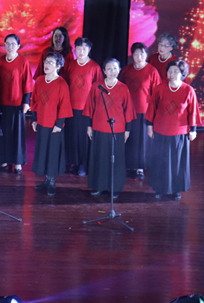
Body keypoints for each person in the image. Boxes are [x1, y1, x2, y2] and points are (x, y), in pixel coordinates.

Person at [147, 59, 199, 200]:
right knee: (160, 161)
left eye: (176, 71)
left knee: (177, 163)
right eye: (170, 71)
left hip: (179, 133)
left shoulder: (188, 90)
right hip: (160, 131)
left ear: (182, 73)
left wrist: (193, 130)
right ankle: (160, 189)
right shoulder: (159, 88)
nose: (172, 73)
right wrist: (150, 127)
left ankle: (176, 190)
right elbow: (152, 108)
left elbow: (193, 111)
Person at [84, 58, 136, 199]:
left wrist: (127, 130)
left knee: (115, 160)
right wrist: (89, 126)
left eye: (115, 68)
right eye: (109, 68)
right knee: (99, 158)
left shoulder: (123, 88)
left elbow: (128, 111)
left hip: (117, 130)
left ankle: (114, 187)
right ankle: (98, 186)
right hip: (98, 127)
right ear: (104, 71)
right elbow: (89, 107)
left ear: (119, 70)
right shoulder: (97, 86)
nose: (112, 71)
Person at [0, 34, 34, 174]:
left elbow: (28, 83)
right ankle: (3, 161)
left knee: (17, 135)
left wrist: (26, 102)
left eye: (13, 44)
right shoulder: (0, 61)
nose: (10, 46)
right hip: (2, 104)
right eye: (7, 43)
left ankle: (18, 163)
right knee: (3, 135)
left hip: (17, 104)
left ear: (18, 46)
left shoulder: (23, 61)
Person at [30, 52, 73, 196]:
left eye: (50, 62)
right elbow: (34, 101)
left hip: (54, 125)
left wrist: (59, 124)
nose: (47, 65)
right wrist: (34, 119)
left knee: (53, 153)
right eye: (46, 62)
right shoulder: (40, 80)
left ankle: (52, 182)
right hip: (42, 123)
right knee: (43, 152)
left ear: (58, 66)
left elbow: (65, 106)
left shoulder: (61, 83)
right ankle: (46, 180)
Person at [120, 42, 161, 179]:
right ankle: (129, 165)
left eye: (142, 54)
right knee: (129, 139)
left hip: (145, 111)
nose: (139, 57)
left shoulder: (152, 71)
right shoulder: (127, 70)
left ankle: (140, 167)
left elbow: (157, 94)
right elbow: (120, 87)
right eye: (136, 54)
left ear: (146, 55)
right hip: (128, 110)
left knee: (142, 141)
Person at [64, 37, 103, 176]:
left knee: (85, 138)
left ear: (89, 49)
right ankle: (74, 162)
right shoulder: (71, 65)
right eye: (79, 48)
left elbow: (99, 88)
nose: (81, 51)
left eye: (84, 48)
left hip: (87, 108)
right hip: (71, 106)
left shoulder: (94, 67)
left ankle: (83, 164)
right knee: (73, 136)